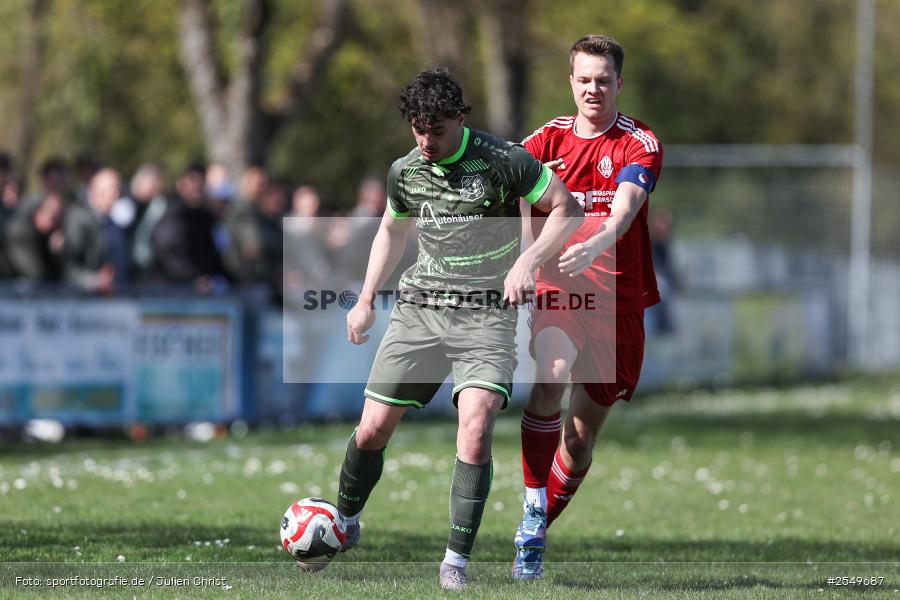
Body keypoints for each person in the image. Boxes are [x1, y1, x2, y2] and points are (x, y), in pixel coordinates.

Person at [335, 66, 582, 591]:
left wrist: (528, 260)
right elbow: (391, 231)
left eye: (438, 131)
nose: (427, 142)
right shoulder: (404, 170)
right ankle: (344, 521)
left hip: (487, 314)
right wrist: (364, 300)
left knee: (475, 427)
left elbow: (567, 208)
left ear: (460, 119)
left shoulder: (503, 159)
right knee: (373, 429)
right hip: (420, 310)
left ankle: (455, 562)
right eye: (418, 131)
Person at [511, 34, 664, 580]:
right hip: (561, 289)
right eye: (583, 79)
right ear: (571, 81)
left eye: (603, 79)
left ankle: (534, 530)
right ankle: (532, 503)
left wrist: (599, 241)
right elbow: (516, 198)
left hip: (618, 301)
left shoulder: (638, 142)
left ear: (619, 83)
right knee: (549, 376)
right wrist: (528, 259)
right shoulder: (542, 142)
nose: (593, 88)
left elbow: (624, 208)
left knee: (578, 439)